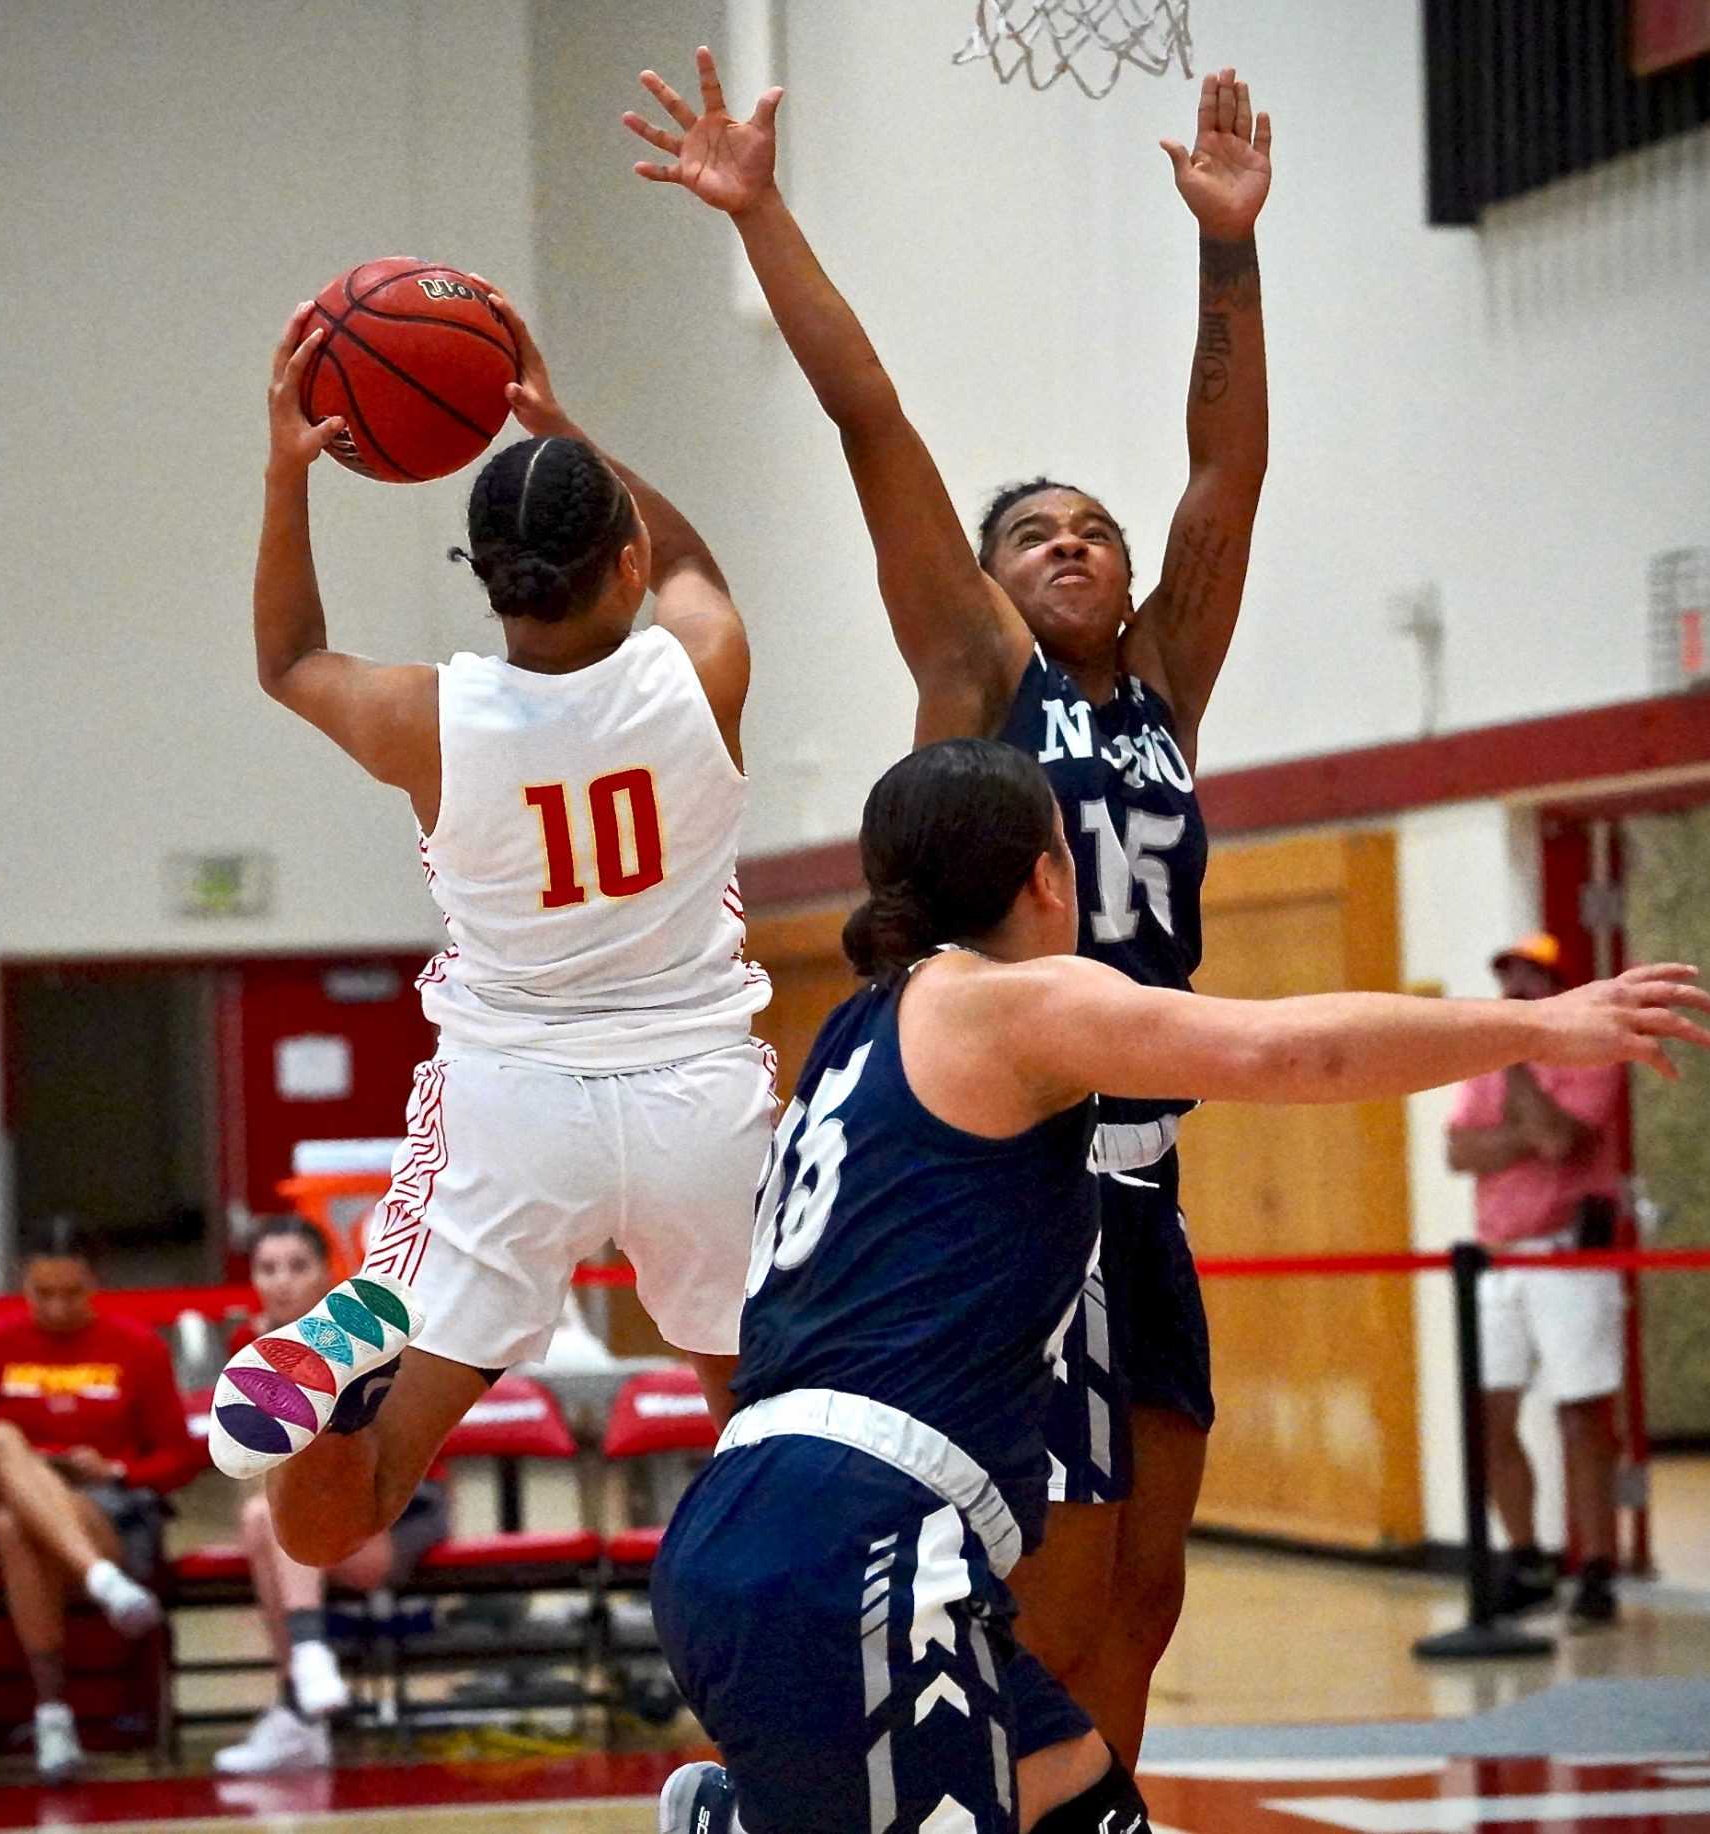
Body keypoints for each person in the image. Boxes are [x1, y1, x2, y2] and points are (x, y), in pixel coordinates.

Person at [652, 740, 1710, 1834]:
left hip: (748, 1522)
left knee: (1088, 1808)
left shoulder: (853, 1032)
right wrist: (1540, 1025)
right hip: (859, 1542)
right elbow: (1285, 1054)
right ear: (1046, 877)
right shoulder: (1004, 1003)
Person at [626, 48, 1272, 1759]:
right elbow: (870, 422)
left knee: (1148, 1593)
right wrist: (760, 216)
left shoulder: (1163, 690)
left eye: (1093, 529)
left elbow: (1225, 476)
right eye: (1034, 531)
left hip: (1153, 1184)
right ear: (985, 583)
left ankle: (1099, 1806)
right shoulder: (984, 682)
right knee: (1047, 1609)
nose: (1071, 543)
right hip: (1027, 1172)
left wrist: (1228, 248)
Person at [219, 287, 774, 1578]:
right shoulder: (698, 670)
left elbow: (289, 658)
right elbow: (696, 567)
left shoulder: (433, 719)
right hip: (700, 1096)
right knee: (776, 1434)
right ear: (621, 559)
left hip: (515, 1107)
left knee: (343, 1517)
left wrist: (287, 469)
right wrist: (560, 421)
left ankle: (336, 1380)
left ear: (480, 576)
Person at [0, 1217, 200, 1781]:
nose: (59, 1309)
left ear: (96, 1283)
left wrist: (112, 1469)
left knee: (21, 1527)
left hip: (103, 1510)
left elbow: (179, 1460)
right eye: (44, 1295)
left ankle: (53, 1719)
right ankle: (100, 1582)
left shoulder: (136, 1346)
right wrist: (30, 1467)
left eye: (73, 1294)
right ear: (21, 1285)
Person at [213, 1217, 450, 1777]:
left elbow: (389, 1453)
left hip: (396, 1509)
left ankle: (300, 1695)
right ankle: (303, 1690)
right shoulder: (248, 1349)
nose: (282, 1281)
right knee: (258, 1519)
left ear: (328, 1273)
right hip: (309, 1525)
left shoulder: (365, 1329)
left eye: (298, 1266)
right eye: (267, 1268)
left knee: (265, 1521)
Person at [1443, 932, 1630, 1626]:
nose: (1516, 991)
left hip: (1568, 1254)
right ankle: (1525, 1557)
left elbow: (1560, 1140)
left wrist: (1520, 1076)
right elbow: (1460, 1148)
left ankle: (1599, 1565)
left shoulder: (1593, 1056)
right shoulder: (1483, 1062)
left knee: (1582, 1414)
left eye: (1532, 980)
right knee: (1489, 1416)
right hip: (1498, 1258)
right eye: (1509, 979)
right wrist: (1522, 1130)